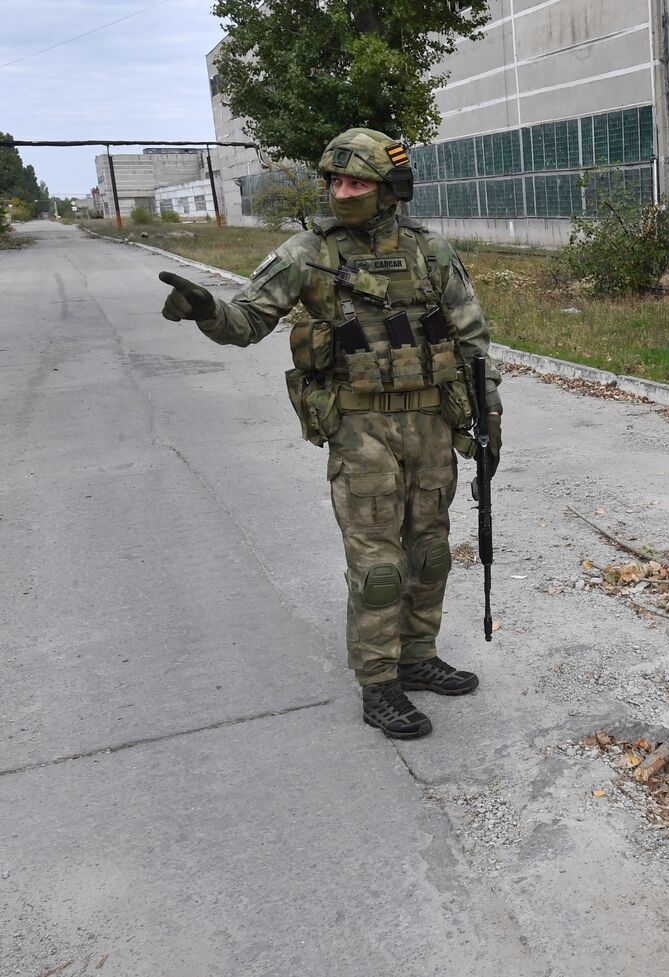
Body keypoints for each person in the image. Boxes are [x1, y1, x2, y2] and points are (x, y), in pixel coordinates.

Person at [158, 128, 502, 740]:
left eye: (358, 182)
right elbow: (246, 322)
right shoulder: (307, 254)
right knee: (378, 566)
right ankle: (379, 683)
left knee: (430, 551)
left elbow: (472, 340)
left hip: (431, 424)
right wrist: (207, 309)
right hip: (361, 429)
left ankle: (418, 657)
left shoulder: (431, 252)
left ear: (390, 190)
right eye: (335, 181)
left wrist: (489, 415)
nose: (342, 192)